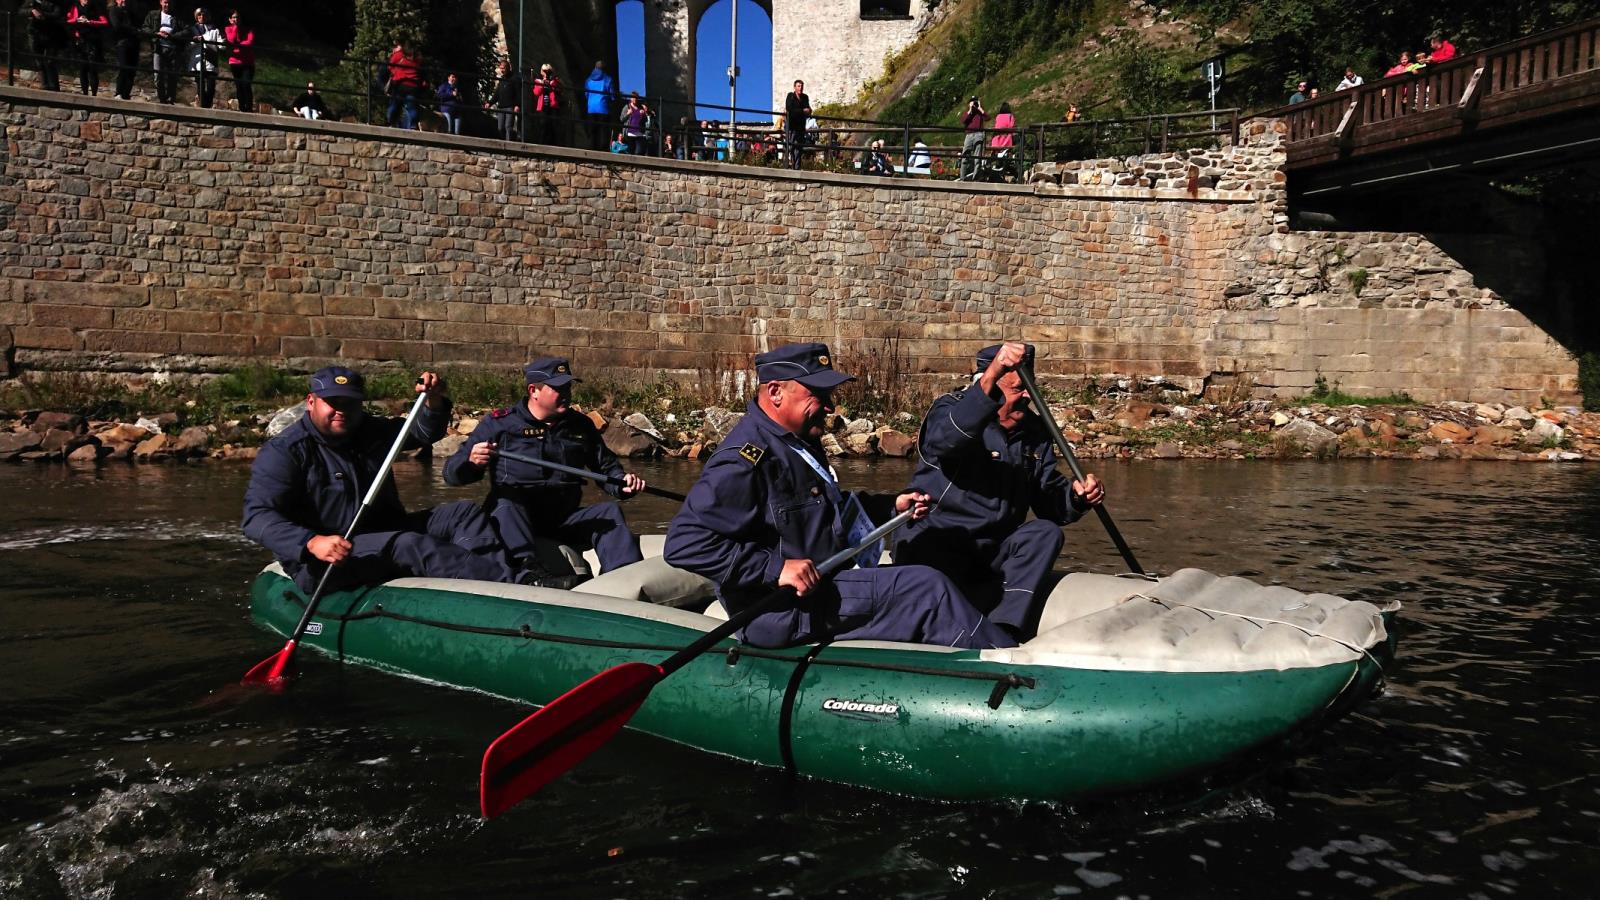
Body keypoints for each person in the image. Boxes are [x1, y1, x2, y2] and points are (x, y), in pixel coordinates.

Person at [664, 343, 1015, 650]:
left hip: (825, 586)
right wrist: (776, 569)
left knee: (924, 577)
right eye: (818, 396)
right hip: (781, 610)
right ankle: (1011, 668)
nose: (830, 407)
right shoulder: (744, 459)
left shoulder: (796, 440)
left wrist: (891, 505)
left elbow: (821, 511)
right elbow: (684, 543)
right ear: (775, 392)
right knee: (924, 587)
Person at [242, 367, 538, 595]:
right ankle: (519, 586)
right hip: (330, 556)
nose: (342, 410)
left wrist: (433, 401)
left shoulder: (368, 429)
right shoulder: (286, 451)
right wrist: (310, 542)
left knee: (463, 513)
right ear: (311, 402)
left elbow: (422, 433)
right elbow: (256, 517)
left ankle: (498, 579)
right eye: (333, 402)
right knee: (409, 545)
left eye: (351, 403)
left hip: (382, 531)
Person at [895, 342, 1107, 642]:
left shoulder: (1034, 431)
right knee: (935, 556)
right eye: (1017, 388)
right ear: (991, 384)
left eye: (1030, 390)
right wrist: (991, 375)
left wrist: (1076, 497)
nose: (1026, 398)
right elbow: (947, 442)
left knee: (1045, 533)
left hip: (992, 550)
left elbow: (1048, 498)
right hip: (940, 542)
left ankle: (1005, 629)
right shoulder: (950, 410)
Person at [444, 357, 645, 580]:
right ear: (534, 391)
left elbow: (606, 468)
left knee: (609, 512)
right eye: (558, 387)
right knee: (507, 501)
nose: (566, 392)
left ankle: (625, 579)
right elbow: (451, 474)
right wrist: (472, 462)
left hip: (562, 519)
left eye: (568, 386)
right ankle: (528, 572)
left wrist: (622, 483)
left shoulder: (580, 426)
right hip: (515, 521)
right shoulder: (499, 424)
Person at [182, 6, 222, 109]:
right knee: (200, 85)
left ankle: (207, 106)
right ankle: (204, 107)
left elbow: (221, 45)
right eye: (199, 14)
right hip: (198, 61)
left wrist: (207, 41)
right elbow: (187, 47)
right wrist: (194, 41)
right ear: (196, 17)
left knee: (211, 86)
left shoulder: (214, 30)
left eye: (204, 14)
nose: (201, 16)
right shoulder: (191, 29)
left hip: (211, 61)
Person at [65, 0, 107, 97]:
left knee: (93, 68)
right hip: (80, 40)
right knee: (83, 68)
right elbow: (68, 20)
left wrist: (89, 21)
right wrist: (77, 20)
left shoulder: (96, 7)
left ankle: (94, 94)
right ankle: (84, 93)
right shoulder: (74, 7)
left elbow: (104, 22)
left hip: (93, 41)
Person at [143, 0, 180, 103]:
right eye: (165, 2)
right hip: (158, 48)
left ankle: (170, 98)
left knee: (172, 76)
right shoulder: (153, 14)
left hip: (173, 49)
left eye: (169, 3)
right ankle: (162, 98)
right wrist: (156, 33)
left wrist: (172, 36)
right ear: (160, 2)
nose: (167, 5)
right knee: (158, 75)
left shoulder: (176, 17)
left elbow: (186, 30)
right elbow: (145, 28)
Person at [29, 0, 67, 93]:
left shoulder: (55, 3)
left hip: (51, 34)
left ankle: (54, 86)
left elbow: (57, 14)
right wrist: (32, 11)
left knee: (50, 61)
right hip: (35, 33)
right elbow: (21, 10)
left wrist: (43, 15)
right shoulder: (33, 1)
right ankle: (44, 85)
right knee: (39, 60)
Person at [223, 9, 254, 113]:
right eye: (234, 17)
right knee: (239, 85)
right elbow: (231, 40)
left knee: (246, 84)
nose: (236, 19)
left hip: (247, 62)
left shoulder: (248, 29)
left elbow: (249, 41)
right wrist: (235, 28)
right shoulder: (228, 29)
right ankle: (242, 107)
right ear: (230, 19)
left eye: (237, 17)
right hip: (235, 61)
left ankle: (249, 107)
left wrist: (238, 44)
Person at [106, 0, 138, 100]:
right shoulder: (114, 10)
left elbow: (137, 25)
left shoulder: (130, 12)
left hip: (133, 44)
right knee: (123, 67)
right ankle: (119, 92)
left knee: (132, 70)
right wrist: (131, 29)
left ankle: (126, 94)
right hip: (122, 43)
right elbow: (117, 25)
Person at [583, 60, 615, 151]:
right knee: (604, 129)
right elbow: (612, 96)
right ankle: (604, 149)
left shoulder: (588, 80)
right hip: (603, 107)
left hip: (591, 107)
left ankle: (592, 148)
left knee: (593, 130)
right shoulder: (608, 79)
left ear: (595, 67)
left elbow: (586, 94)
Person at [486, 59, 520, 141]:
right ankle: (504, 143)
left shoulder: (514, 79)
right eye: (501, 68)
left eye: (503, 68)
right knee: (500, 128)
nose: (502, 70)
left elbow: (518, 93)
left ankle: (509, 146)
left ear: (508, 68)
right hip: (501, 107)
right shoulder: (501, 80)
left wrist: (517, 105)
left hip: (510, 107)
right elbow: (497, 94)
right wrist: (489, 103)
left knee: (508, 127)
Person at [783, 79, 811, 170]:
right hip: (791, 125)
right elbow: (789, 109)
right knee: (791, 146)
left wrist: (804, 111)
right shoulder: (790, 96)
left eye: (802, 86)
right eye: (798, 86)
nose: (800, 88)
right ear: (794, 87)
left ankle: (797, 167)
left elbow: (808, 109)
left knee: (799, 147)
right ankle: (790, 165)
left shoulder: (805, 97)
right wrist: (802, 111)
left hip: (800, 126)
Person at [531, 62, 561, 145]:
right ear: (541, 71)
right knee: (543, 126)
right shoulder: (538, 81)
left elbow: (559, 89)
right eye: (544, 71)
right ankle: (541, 144)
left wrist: (552, 82)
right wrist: (542, 84)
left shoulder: (555, 80)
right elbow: (536, 93)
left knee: (553, 126)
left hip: (553, 106)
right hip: (542, 107)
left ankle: (554, 146)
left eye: (548, 71)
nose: (546, 72)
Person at [959, 95, 986, 181]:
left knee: (977, 158)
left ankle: (975, 178)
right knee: (965, 156)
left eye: (975, 101)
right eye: (972, 101)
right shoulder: (968, 113)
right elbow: (963, 121)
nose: (974, 103)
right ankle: (962, 178)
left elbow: (988, 117)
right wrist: (970, 110)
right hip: (969, 135)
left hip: (978, 134)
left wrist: (980, 108)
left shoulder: (979, 113)